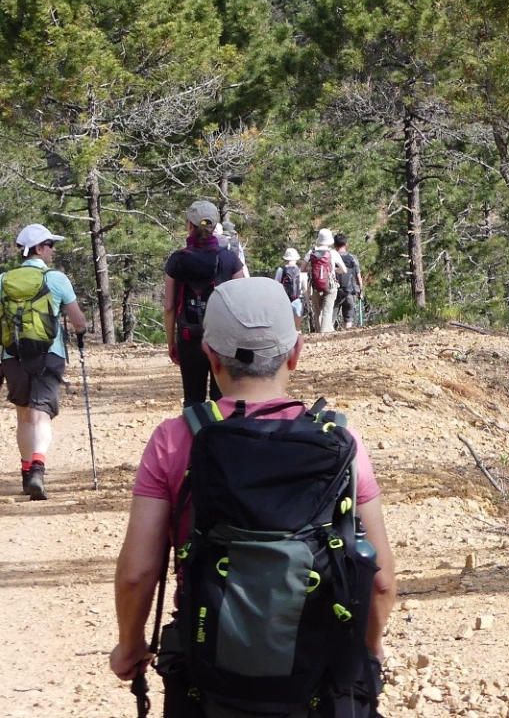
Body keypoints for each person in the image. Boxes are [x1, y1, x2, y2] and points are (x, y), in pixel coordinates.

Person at [108, 278, 395, 716]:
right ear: (296, 352)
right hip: (318, 682)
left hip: (208, 680)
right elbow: (379, 580)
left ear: (210, 356)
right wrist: (368, 653)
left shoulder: (175, 439)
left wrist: (131, 645)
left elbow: (137, 572)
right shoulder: (342, 441)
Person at [0, 222, 87, 501]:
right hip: (48, 354)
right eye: (50, 245)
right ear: (38, 249)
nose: (53, 250)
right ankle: (39, 468)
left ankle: (26, 471)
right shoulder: (57, 279)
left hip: (12, 356)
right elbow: (78, 320)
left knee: (23, 414)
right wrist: (80, 333)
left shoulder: (3, 280)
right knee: (40, 413)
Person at [163, 201, 247, 404]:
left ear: (189, 225)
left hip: (189, 337)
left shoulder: (176, 260)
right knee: (222, 400)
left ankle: (195, 435)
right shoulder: (229, 259)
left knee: (193, 399)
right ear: (214, 225)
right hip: (222, 339)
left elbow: (169, 307)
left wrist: (171, 343)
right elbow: (242, 302)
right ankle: (220, 435)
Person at [305, 229, 341, 333]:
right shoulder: (333, 253)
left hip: (315, 285)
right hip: (330, 285)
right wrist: (334, 270)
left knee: (317, 311)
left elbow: (302, 269)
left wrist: (313, 271)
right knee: (327, 310)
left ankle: (318, 332)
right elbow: (344, 269)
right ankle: (324, 334)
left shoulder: (311, 252)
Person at [334, 233, 366, 330]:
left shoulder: (331, 258)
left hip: (335, 292)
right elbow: (358, 278)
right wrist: (360, 291)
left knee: (330, 320)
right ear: (346, 244)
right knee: (348, 321)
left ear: (334, 245)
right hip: (349, 292)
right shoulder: (353, 258)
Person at [275, 248, 308, 329]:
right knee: (297, 327)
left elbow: (276, 285)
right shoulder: (301, 272)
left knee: (285, 327)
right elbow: (305, 289)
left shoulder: (280, 270)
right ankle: (299, 341)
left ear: (285, 259)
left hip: (284, 301)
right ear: (296, 259)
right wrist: (307, 303)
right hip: (297, 301)